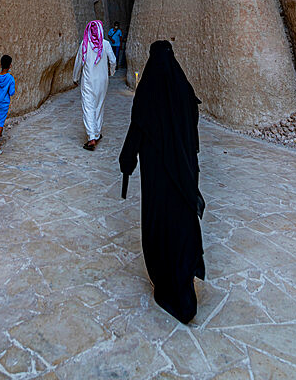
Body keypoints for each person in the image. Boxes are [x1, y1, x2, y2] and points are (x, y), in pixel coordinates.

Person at [119, 40, 205, 324]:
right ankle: (184, 294)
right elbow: (193, 136)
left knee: (159, 230)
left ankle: (167, 288)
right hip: (183, 177)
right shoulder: (184, 91)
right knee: (182, 229)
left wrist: (127, 161)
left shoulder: (147, 94)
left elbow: (137, 129)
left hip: (157, 181)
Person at [73, 19, 116, 150]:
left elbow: (78, 63)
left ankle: (92, 137)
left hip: (88, 81)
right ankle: (96, 133)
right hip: (103, 81)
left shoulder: (85, 45)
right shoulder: (106, 44)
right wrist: (111, 72)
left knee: (88, 107)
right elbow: (113, 60)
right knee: (99, 105)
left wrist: (75, 77)